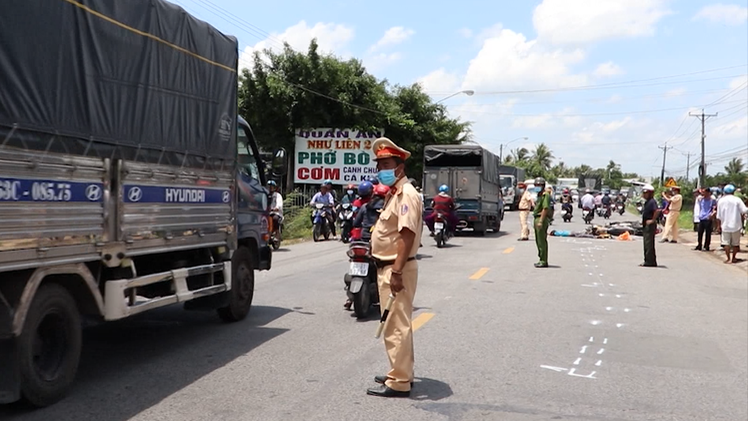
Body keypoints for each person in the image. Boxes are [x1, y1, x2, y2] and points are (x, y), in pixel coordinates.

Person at [367, 137, 422, 398]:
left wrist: (397, 272)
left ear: (399, 168)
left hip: (395, 269)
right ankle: (401, 372)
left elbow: (406, 235)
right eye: (379, 165)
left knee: (395, 325)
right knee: (397, 323)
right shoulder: (395, 193)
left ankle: (398, 381)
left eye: (386, 164)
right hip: (389, 267)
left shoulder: (406, 194)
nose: (382, 170)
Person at [345, 183, 388, 310]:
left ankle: (349, 298)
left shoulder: (364, 206)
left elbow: (356, 223)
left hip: (363, 240)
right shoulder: (387, 208)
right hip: (379, 241)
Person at [716, 184, 748, 264]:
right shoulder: (737, 200)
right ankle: (733, 258)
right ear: (733, 191)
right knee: (735, 243)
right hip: (736, 225)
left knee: (726, 243)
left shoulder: (721, 200)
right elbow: (744, 210)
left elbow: (718, 216)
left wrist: (718, 226)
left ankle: (728, 258)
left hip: (725, 225)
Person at [640, 184, 661, 267]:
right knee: (647, 244)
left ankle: (649, 261)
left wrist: (652, 220)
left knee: (649, 244)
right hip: (646, 225)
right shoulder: (648, 202)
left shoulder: (652, 201)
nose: (644, 195)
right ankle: (649, 260)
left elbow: (657, 210)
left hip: (650, 225)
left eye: (645, 193)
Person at [532, 177, 551, 268]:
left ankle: (543, 260)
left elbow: (545, 208)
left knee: (541, 241)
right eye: (536, 185)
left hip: (541, 219)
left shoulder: (545, 195)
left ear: (543, 186)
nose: (537, 187)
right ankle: (541, 258)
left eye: (539, 185)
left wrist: (540, 221)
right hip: (537, 218)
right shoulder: (539, 195)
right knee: (538, 240)